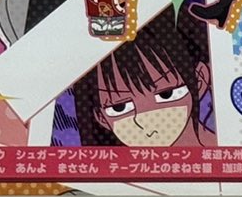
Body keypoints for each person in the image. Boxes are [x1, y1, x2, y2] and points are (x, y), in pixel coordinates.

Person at [51, 8, 214, 148]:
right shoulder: (105, 167)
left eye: (166, 94)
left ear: (200, 79)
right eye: (119, 107)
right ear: (100, 117)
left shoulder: (222, 152)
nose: (146, 123)